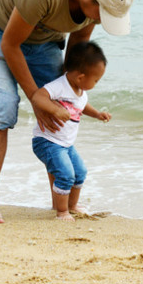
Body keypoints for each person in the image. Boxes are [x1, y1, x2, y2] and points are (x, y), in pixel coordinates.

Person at [0, 0, 135, 223]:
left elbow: (78, 46)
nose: (102, 21)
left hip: (43, 34)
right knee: (3, 106)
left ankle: (61, 204)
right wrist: (36, 97)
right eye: (101, 14)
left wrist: (65, 93)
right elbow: (10, 45)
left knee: (59, 104)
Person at [31, 41, 111, 220]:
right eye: (96, 80)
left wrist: (97, 114)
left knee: (80, 172)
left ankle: (72, 205)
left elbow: (82, 106)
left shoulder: (80, 90)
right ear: (81, 77)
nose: (96, 83)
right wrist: (55, 110)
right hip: (47, 141)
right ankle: (61, 212)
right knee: (65, 174)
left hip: (66, 144)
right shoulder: (60, 86)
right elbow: (38, 97)